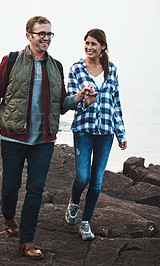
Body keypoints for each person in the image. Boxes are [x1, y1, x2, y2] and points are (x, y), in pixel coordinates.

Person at [0, 16, 94, 259]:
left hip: (44, 140)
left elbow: (61, 104)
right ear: (28, 35)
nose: (46, 38)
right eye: (41, 33)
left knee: (36, 189)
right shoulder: (11, 61)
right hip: (13, 138)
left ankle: (26, 241)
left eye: (49, 34)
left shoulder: (56, 66)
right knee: (11, 186)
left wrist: (79, 97)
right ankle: (9, 217)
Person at [64, 29, 127, 241]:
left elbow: (115, 103)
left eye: (94, 44)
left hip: (106, 132)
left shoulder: (112, 70)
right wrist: (84, 99)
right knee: (83, 177)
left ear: (103, 47)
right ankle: (74, 202)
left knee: (97, 181)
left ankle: (86, 222)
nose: (89, 47)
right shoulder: (76, 69)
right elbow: (71, 103)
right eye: (87, 43)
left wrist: (121, 132)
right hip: (83, 129)